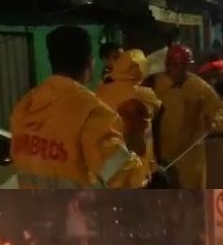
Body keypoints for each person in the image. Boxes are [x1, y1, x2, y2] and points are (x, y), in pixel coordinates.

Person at [9, 25, 152, 188]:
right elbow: (124, 178)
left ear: (52, 62)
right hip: (77, 212)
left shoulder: (25, 105)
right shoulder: (92, 112)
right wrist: (144, 169)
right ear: (89, 62)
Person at [150, 43, 223, 188]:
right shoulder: (154, 85)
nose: (182, 72)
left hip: (190, 155)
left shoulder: (198, 86)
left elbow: (216, 108)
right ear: (168, 66)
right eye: (178, 67)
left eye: (186, 68)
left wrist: (215, 121)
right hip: (162, 154)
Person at [95, 49, 161, 162]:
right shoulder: (142, 93)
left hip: (107, 156)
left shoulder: (102, 88)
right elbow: (158, 109)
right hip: (136, 159)